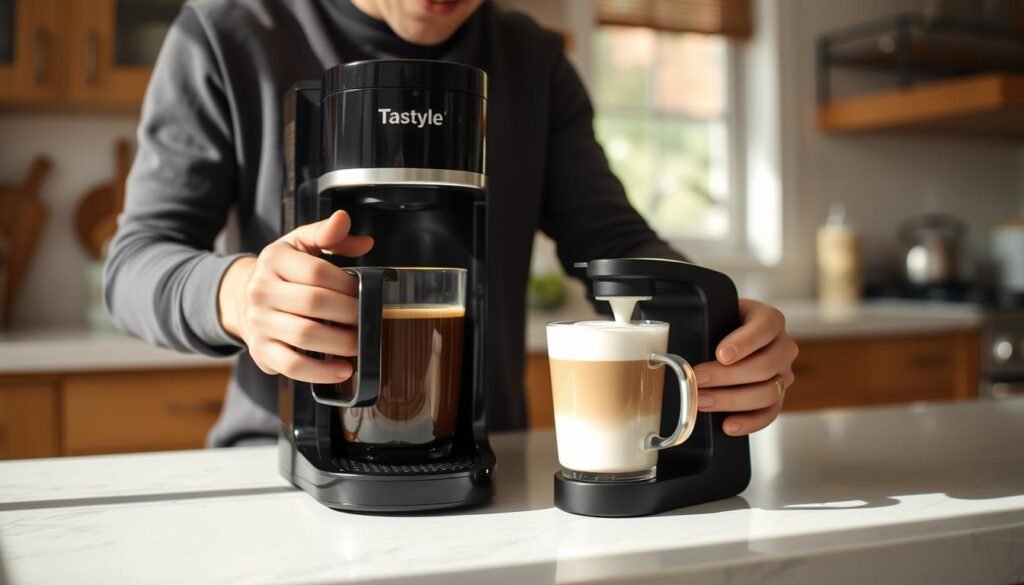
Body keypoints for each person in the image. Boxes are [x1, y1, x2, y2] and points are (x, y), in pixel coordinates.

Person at [105, 0, 799, 447]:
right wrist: (236, 291)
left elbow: (614, 243)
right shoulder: (229, 32)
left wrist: (714, 317)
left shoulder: (532, 61)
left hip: (493, 464)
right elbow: (135, 261)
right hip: (271, 468)